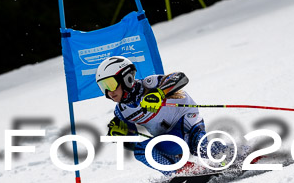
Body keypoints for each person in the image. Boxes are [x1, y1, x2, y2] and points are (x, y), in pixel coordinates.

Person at [95, 56, 237, 175]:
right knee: (140, 151)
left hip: (187, 123)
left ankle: (238, 153)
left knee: (200, 146)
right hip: (169, 140)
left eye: (110, 84)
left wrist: (158, 93)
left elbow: (180, 78)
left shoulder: (149, 84)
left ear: (127, 79)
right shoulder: (121, 110)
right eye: (103, 87)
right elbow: (133, 142)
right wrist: (123, 137)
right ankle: (183, 172)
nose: (108, 92)